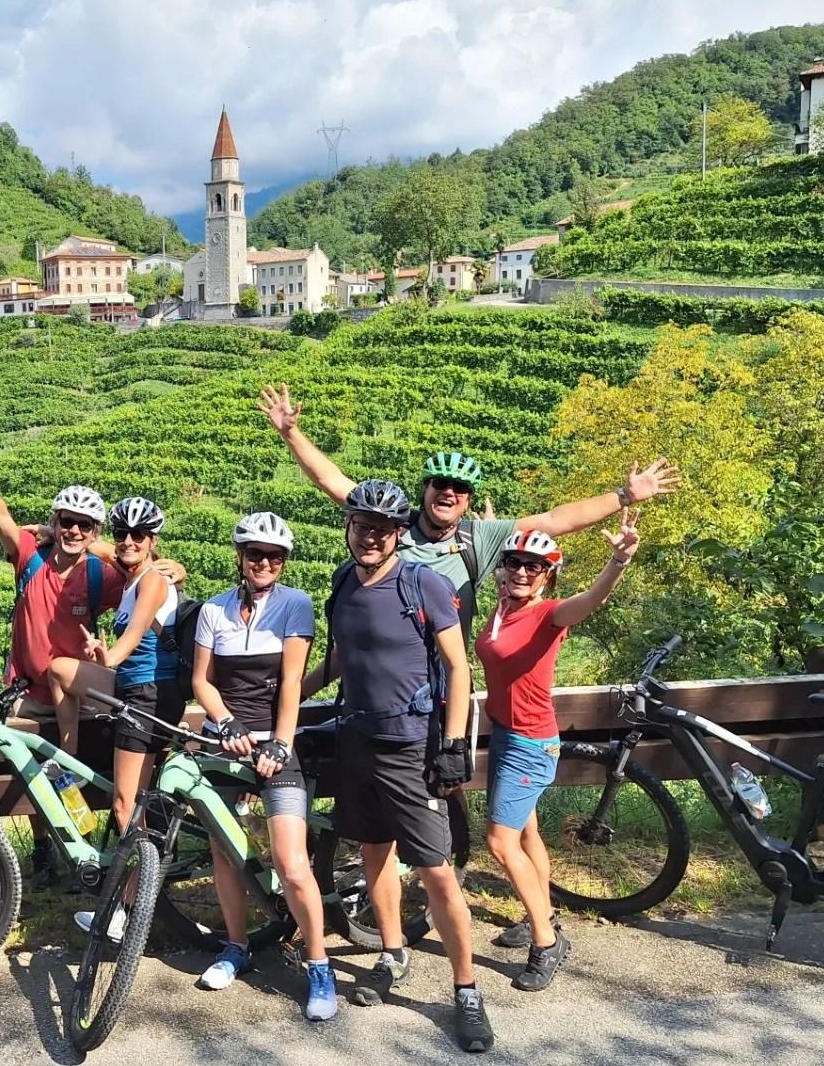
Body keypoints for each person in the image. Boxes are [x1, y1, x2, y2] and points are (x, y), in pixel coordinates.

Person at [299, 479, 492, 1052]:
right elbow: (338, 658)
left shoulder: (423, 584)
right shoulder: (342, 583)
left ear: (398, 535)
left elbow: (458, 668)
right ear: (349, 527)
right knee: (373, 852)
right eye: (362, 526)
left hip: (411, 745)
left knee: (434, 870)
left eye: (382, 530)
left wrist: (453, 744)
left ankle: (467, 990)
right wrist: (282, 701)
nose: (371, 537)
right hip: (357, 738)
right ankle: (392, 952)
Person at [255, 383, 681, 640]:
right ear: (425, 490)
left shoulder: (479, 539)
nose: (449, 493)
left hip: (442, 675)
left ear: (469, 501)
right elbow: (333, 482)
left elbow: (556, 520)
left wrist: (624, 495)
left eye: (459, 489)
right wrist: (291, 434)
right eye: (440, 485)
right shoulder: (392, 525)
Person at [477, 514, 640, 990]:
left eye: (535, 566)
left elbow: (592, 600)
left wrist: (618, 561)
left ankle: (547, 943)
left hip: (530, 743)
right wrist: (492, 533)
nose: (522, 572)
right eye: (514, 562)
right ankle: (540, 912)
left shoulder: (547, 614)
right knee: (525, 836)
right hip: (506, 734)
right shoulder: (502, 608)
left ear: (549, 574)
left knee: (499, 844)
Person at [0, 429, 127, 886]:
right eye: (67, 521)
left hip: (76, 692)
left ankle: (79, 848)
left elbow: (142, 577)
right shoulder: (30, 556)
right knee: (33, 767)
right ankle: (43, 850)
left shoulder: (99, 574)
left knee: (65, 766)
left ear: (95, 533)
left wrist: (173, 567)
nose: (73, 531)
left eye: (84, 526)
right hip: (27, 688)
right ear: (55, 520)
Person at [191, 512, 336, 1022]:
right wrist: (226, 724)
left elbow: (293, 682)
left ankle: (318, 963)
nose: (265, 563)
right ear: (241, 556)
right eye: (255, 554)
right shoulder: (214, 610)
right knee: (225, 854)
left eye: (274, 556)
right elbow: (203, 682)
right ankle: (236, 947)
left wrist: (279, 743)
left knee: (292, 864)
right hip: (225, 745)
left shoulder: (294, 605)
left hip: (277, 745)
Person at [47, 498, 185, 937]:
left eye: (138, 535)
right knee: (59, 669)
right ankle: (69, 761)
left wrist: (111, 654)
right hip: (132, 688)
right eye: (122, 532)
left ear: (153, 542)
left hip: (146, 695)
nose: (128, 540)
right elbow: (92, 543)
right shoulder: (131, 577)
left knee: (126, 807)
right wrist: (51, 530)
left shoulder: (151, 584)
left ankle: (129, 914)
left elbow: (136, 633)